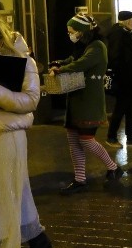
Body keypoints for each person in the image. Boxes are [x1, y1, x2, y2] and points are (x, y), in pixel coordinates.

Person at [0, 13, 54, 248]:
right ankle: (38, 240)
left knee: (1, 194)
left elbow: (31, 100)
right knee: (18, 193)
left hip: (7, 134)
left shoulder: (20, 60)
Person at [50, 14, 123, 194]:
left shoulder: (97, 46)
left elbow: (82, 64)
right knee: (74, 140)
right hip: (76, 100)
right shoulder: (82, 46)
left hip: (89, 101)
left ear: (82, 31)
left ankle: (113, 167)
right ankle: (80, 179)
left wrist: (61, 70)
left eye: (72, 31)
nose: (70, 34)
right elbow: (73, 59)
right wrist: (59, 63)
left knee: (86, 140)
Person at [106, 10, 132, 147]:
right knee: (120, 108)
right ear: (127, 21)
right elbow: (115, 57)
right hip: (124, 79)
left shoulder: (127, 33)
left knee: (131, 109)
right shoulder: (119, 34)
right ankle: (111, 137)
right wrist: (124, 73)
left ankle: (131, 137)